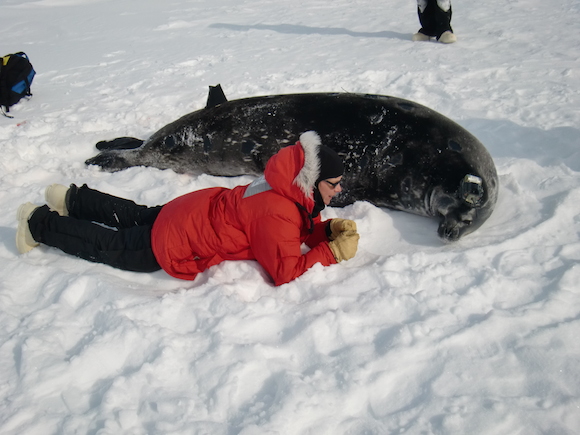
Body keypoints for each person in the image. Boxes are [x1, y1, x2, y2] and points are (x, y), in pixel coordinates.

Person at [15, 131, 360, 286]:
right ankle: (38, 223)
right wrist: (330, 252)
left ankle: (71, 199)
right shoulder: (279, 212)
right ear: (311, 183)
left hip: (191, 211)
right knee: (110, 246)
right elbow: (285, 271)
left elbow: (277, 231)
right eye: (333, 184)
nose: (339, 190)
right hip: (182, 238)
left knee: (136, 216)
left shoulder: (281, 184)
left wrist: (322, 231)